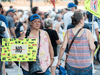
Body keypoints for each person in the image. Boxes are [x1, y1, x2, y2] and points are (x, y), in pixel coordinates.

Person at [57, 10, 95, 75]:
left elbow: (63, 47)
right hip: (86, 64)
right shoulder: (87, 32)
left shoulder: (69, 32)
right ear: (80, 20)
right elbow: (92, 47)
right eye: (83, 19)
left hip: (71, 64)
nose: (84, 20)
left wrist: (59, 60)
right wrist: (93, 41)